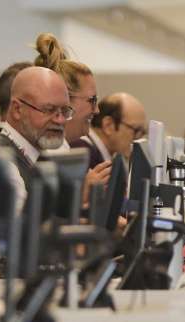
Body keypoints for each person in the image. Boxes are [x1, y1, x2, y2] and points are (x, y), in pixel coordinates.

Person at [0, 66, 72, 213]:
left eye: (65, 111)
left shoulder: (40, 160)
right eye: (49, 110)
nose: (60, 120)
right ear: (18, 110)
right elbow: (16, 229)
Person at [33, 33, 112, 198]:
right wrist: (81, 194)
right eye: (92, 100)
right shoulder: (47, 157)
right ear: (65, 101)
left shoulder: (62, 151)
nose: (97, 110)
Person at [72, 93, 148, 168]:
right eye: (136, 130)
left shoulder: (97, 156)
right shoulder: (83, 155)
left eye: (142, 133)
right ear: (108, 125)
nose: (139, 139)